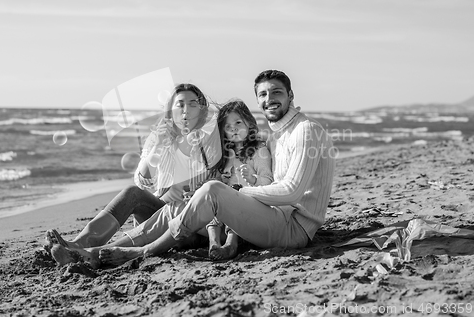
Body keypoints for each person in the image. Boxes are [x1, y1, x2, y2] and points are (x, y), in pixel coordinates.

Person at [51, 70, 336, 268]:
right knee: (154, 198)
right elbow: (145, 178)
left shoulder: (303, 130)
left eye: (276, 92)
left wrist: (239, 190)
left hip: (293, 226)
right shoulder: (277, 134)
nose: (269, 98)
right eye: (263, 93)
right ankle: (89, 250)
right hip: (257, 215)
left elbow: (289, 189)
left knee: (209, 191)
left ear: (291, 94)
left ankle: (136, 251)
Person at [45, 83, 221, 263]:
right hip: (162, 213)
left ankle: (90, 255)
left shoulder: (210, 139)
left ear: (201, 109)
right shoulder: (159, 137)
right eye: (180, 104)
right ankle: (79, 244)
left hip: (197, 220)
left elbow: (222, 182)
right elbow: (143, 182)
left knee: (177, 210)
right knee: (132, 193)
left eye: (193, 104)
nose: (186, 110)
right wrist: (159, 146)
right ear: (170, 110)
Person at [206, 100, 273, 260]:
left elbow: (269, 182)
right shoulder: (224, 155)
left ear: (249, 124)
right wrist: (221, 178)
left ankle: (231, 243)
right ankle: (213, 243)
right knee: (213, 198)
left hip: (249, 204)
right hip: (224, 207)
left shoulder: (259, 151)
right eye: (228, 127)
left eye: (238, 122)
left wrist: (253, 178)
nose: (233, 128)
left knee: (233, 193)